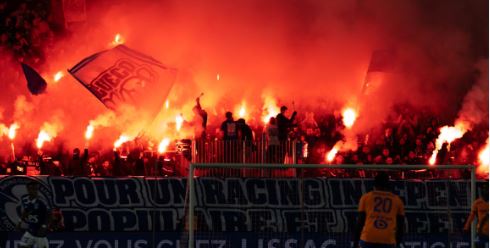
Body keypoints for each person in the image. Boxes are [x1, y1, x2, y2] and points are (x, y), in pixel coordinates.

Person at [354, 172, 405, 248]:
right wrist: (396, 242)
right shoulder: (397, 200)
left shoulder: (366, 197)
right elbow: (401, 226)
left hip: (368, 237)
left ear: (375, 184)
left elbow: (360, 222)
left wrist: (355, 243)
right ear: (388, 185)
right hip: (388, 239)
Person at [17, 182, 50, 248]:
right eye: (32, 189)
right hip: (30, 231)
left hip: (40, 232)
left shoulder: (42, 201)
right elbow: (26, 211)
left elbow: (49, 215)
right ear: (28, 190)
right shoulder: (25, 200)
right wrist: (20, 222)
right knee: (21, 246)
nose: (35, 191)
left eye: (36, 189)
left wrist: (44, 226)